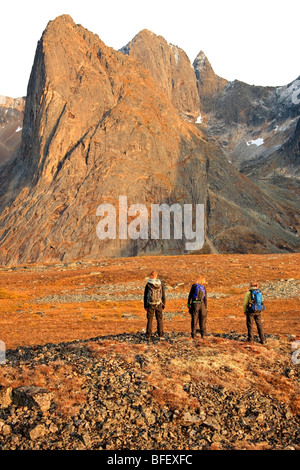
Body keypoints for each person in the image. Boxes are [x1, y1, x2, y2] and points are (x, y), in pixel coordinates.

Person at [144, 271, 166, 342]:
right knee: (159, 319)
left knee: (150, 320)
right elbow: (163, 295)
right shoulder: (160, 284)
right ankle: (160, 335)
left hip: (150, 304)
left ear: (151, 276)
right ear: (156, 276)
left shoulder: (148, 284)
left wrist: (145, 305)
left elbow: (145, 296)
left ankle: (148, 336)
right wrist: (163, 304)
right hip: (158, 303)